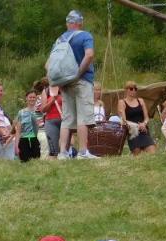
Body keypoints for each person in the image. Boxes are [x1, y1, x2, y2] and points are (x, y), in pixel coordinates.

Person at [56, 10, 98, 160]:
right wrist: (79, 73)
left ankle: (62, 153)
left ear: (68, 23)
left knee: (67, 119)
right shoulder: (85, 36)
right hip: (82, 81)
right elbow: (89, 55)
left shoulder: (61, 39)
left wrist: (59, 81)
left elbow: (50, 64)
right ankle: (82, 152)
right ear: (80, 23)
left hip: (65, 83)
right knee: (83, 117)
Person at [118, 81, 156, 155]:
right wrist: (137, 126)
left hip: (143, 130)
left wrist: (144, 124)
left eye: (135, 89)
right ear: (126, 90)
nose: (133, 91)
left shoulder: (140, 101)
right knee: (137, 154)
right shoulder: (122, 102)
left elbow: (147, 117)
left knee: (152, 152)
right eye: (131, 89)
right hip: (132, 132)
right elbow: (124, 120)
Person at [17, 90, 41, 162]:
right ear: (26, 98)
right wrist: (16, 146)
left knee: (36, 161)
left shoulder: (40, 111)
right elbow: (18, 130)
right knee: (24, 162)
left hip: (37, 139)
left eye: (34, 97)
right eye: (30, 97)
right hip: (24, 139)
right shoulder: (21, 112)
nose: (32, 99)